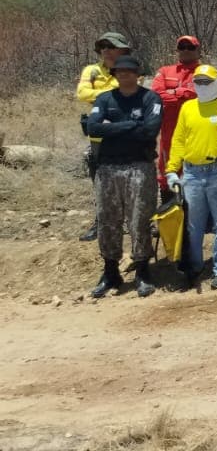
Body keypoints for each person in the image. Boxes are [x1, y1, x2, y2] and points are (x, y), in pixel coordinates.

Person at [85, 54, 162, 298]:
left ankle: (142, 270)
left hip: (139, 165)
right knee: (108, 220)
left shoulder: (150, 98)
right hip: (107, 168)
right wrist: (131, 125)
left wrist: (113, 128)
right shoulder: (105, 98)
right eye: (119, 71)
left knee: (139, 218)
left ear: (137, 73)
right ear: (114, 74)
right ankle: (110, 272)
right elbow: (93, 127)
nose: (124, 74)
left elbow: (150, 130)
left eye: (128, 70)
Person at [164, 63, 217, 289]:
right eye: (198, 82)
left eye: (207, 82)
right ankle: (193, 267)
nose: (202, 86)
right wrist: (172, 169)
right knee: (192, 224)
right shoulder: (188, 108)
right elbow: (179, 140)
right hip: (192, 173)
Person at [76, 31, 131, 240]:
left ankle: (136, 221)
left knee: (130, 179)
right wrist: (111, 93)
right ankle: (101, 222)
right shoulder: (91, 70)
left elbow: (130, 93)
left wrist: (101, 95)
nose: (106, 51)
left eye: (111, 46)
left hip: (125, 134)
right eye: (103, 47)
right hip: (99, 135)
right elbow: (82, 93)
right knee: (99, 181)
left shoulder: (130, 68)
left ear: (123, 49)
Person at [149, 35, 202, 182]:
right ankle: (168, 198)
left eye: (190, 47)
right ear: (176, 50)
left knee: (195, 164)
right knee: (168, 163)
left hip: (196, 124)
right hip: (169, 125)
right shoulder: (165, 71)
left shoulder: (204, 71)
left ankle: (191, 202)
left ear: (198, 50)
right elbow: (157, 94)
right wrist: (185, 94)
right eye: (181, 47)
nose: (185, 50)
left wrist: (175, 91)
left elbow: (200, 94)